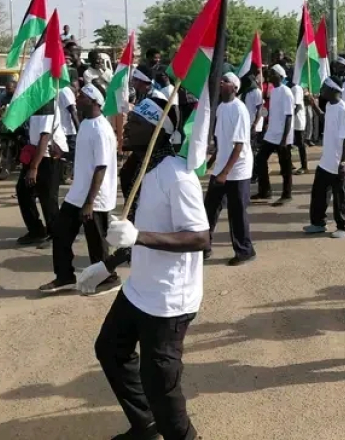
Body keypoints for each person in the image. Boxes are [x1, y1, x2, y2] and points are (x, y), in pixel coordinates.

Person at [80, 97, 208, 440]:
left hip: (169, 300)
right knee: (110, 349)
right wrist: (104, 266)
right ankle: (146, 425)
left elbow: (200, 238)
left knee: (162, 388)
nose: (127, 126)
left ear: (156, 132)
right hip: (139, 289)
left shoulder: (177, 176)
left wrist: (138, 235)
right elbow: (135, 235)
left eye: (136, 122)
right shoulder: (143, 170)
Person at [39, 84, 118, 294]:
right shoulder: (85, 124)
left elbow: (101, 167)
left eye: (81, 96)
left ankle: (108, 278)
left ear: (93, 101)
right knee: (60, 233)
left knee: (97, 243)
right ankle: (64, 277)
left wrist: (90, 202)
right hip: (77, 194)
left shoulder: (101, 129)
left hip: (95, 197)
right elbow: (85, 159)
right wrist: (63, 155)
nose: (77, 98)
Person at [204, 73, 256, 265]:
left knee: (237, 212)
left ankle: (245, 251)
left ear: (234, 87)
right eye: (221, 80)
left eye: (225, 81)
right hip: (222, 167)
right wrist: (212, 163)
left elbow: (239, 145)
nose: (221, 83)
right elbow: (221, 142)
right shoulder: (221, 108)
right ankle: (204, 247)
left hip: (238, 170)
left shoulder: (239, 109)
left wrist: (225, 172)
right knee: (209, 209)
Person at [304, 77, 345, 238]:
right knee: (319, 194)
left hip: (340, 162)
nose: (321, 90)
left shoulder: (344, 110)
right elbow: (325, 119)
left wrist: (344, 161)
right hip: (326, 161)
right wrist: (313, 106)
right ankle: (318, 223)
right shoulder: (330, 106)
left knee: (341, 197)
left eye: (324, 87)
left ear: (333, 91)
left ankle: (344, 226)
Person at [16, 100, 69, 246]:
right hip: (35, 152)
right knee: (23, 191)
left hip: (48, 156)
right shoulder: (35, 103)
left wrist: (33, 168)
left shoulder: (47, 104)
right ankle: (36, 230)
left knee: (48, 197)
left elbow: (44, 137)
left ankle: (55, 235)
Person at [253, 65, 294, 206]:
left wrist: (284, 139)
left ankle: (287, 194)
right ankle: (265, 191)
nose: (269, 76)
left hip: (283, 136)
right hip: (271, 133)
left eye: (272, 74)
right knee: (260, 159)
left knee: (285, 166)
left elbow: (289, 117)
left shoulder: (286, 92)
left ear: (280, 76)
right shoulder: (274, 91)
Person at [57, 78, 79, 163]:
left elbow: (73, 111)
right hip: (67, 131)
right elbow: (73, 111)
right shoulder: (65, 90)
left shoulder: (63, 90)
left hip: (68, 131)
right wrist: (79, 130)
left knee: (71, 158)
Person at [290, 80, 308, 175]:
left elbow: (297, 106)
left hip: (297, 121)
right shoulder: (293, 88)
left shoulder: (296, 88)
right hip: (293, 121)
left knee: (300, 144)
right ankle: (290, 164)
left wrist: (290, 118)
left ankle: (304, 166)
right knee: (289, 143)